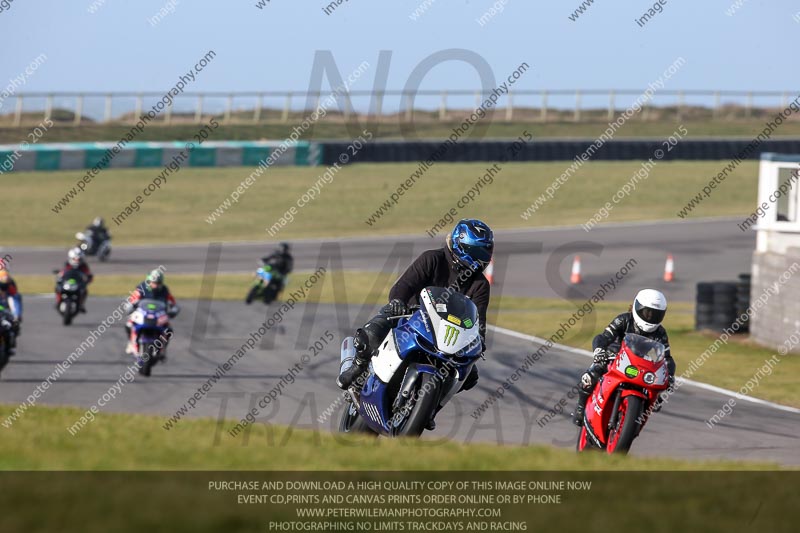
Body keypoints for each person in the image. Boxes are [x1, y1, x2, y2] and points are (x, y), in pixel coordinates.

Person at [336, 219, 494, 428]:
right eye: (477, 252)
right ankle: (357, 368)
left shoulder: (480, 284)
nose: (481, 259)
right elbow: (405, 284)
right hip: (408, 317)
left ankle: (429, 408)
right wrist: (398, 302)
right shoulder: (432, 259)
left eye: (485, 253)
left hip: (447, 335)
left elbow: (478, 318)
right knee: (371, 335)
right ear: (460, 245)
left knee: (469, 375)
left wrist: (479, 341)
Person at [571, 289, 676, 426]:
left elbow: (666, 357)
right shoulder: (624, 319)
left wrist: (670, 375)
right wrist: (599, 351)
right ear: (637, 308)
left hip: (641, 366)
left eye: (655, 314)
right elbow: (604, 337)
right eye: (647, 312)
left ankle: (635, 421)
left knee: (658, 391)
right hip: (616, 357)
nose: (650, 317)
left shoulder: (660, 332)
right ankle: (581, 407)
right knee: (595, 371)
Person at [124, 269, 179, 355]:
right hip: (142, 314)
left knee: (169, 330)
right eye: (154, 283)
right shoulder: (141, 288)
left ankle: (162, 349)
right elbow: (131, 300)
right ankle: (131, 343)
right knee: (129, 324)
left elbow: (173, 304)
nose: (155, 286)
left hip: (159, 315)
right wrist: (130, 307)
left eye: (158, 283)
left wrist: (173, 311)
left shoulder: (164, 291)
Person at [55, 248, 93, 313]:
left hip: (78, 283)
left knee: (84, 291)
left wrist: (88, 279)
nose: (77, 261)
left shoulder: (83, 266)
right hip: (67, 282)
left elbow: (88, 274)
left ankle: (81, 305)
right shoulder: (67, 264)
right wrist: (59, 276)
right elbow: (63, 272)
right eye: (75, 259)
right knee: (58, 288)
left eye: (78, 259)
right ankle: (58, 301)